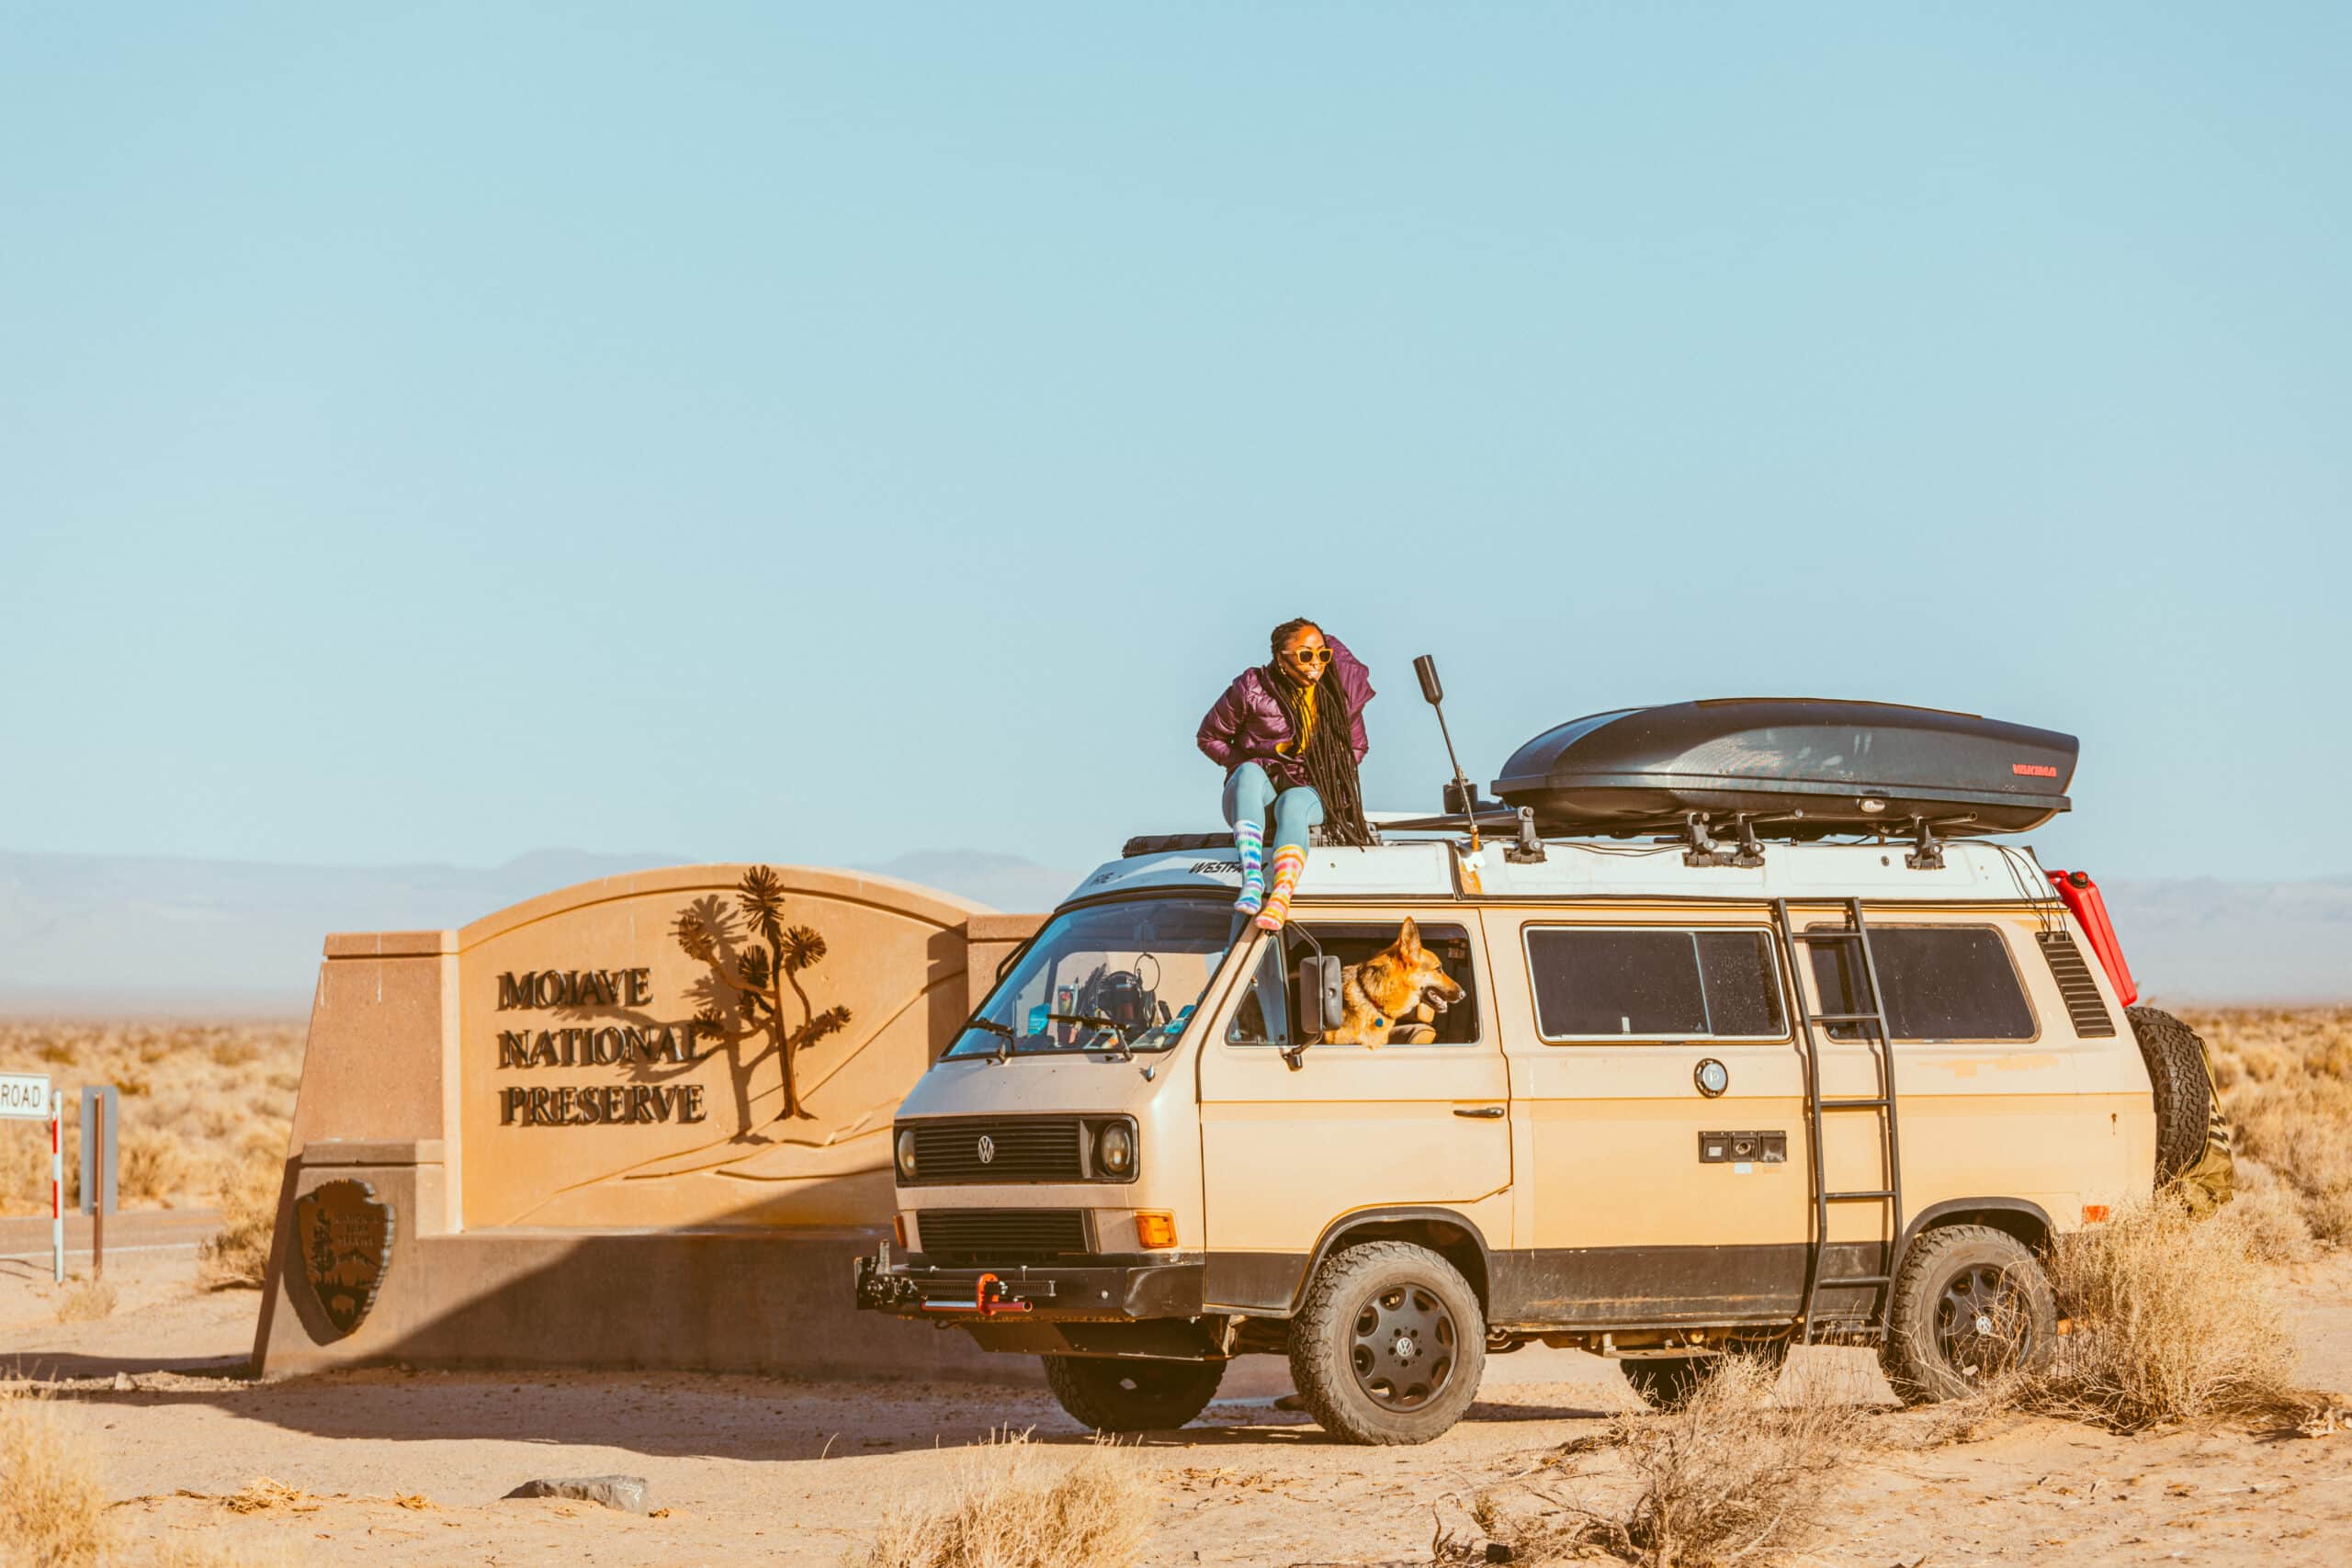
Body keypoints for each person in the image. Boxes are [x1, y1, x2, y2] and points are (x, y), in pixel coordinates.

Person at [1195, 618, 1375, 929]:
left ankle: (1281, 896)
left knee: (1293, 802)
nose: (1316, 663)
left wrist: (1322, 770)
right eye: (1306, 655)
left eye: (1323, 655)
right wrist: (1261, 760)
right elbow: (1209, 737)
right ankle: (1252, 879)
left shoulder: (1337, 695)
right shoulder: (1251, 688)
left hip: (1312, 792)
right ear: (1281, 659)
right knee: (1249, 773)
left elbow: (1357, 748)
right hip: (1256, 793)